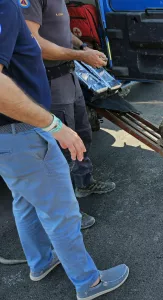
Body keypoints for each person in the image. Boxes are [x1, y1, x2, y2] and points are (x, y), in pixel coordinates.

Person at [0, 1, 128, 299]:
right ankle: (88, 282)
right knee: (62, 211)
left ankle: (41, 262)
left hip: (9, 135)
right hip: (22, 131)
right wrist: (54, 125)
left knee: (25, 201)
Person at [21, 0, 116, 228]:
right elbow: (34, 42)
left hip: (70, 76)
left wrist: (83, 47)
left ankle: (84, 183)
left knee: (81, 135)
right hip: (50, 80)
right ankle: (67, 211)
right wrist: (80, 56)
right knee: (61, 149)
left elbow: (60, 32)